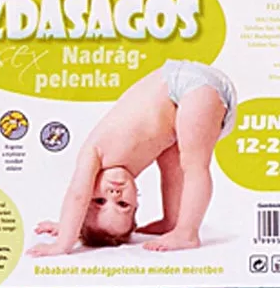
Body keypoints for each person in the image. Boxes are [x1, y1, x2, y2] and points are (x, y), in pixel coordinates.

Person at [27, 60, 236, 255]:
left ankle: (187, 233)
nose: (114, 194)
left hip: (186, 85)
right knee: (173, 165)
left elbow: (77, 196)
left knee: (194, 166)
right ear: (136, 202)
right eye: (123, 204)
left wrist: (64, 240)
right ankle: (172, 220)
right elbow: (81, 202)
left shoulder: (93, 153)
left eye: (99, 201)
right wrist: (72, 225)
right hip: (191, 100)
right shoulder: (123, 163)